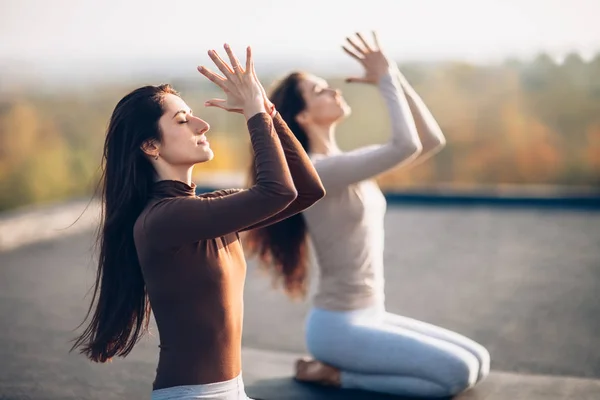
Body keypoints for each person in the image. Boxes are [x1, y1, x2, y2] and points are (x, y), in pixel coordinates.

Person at [70, 44, 325, 400]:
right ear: (150, 146)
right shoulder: (163, 219)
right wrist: (254, 113)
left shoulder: (205, 211)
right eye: (181, 120)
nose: (201, 123)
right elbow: (277, 191)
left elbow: (306, 192)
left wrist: (267, 111)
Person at [244, 32, 490, 398]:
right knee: (456, 375)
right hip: (339, 328)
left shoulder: (345, 165)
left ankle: (335, 370)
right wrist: (386, 79)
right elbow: (405, 145)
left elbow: (430, 140)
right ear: (302, 115)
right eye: (320, 91)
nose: (334, 92)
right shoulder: (319, 170)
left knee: (479, 360)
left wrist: (392, 76)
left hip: (372, 314)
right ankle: (336, 376)